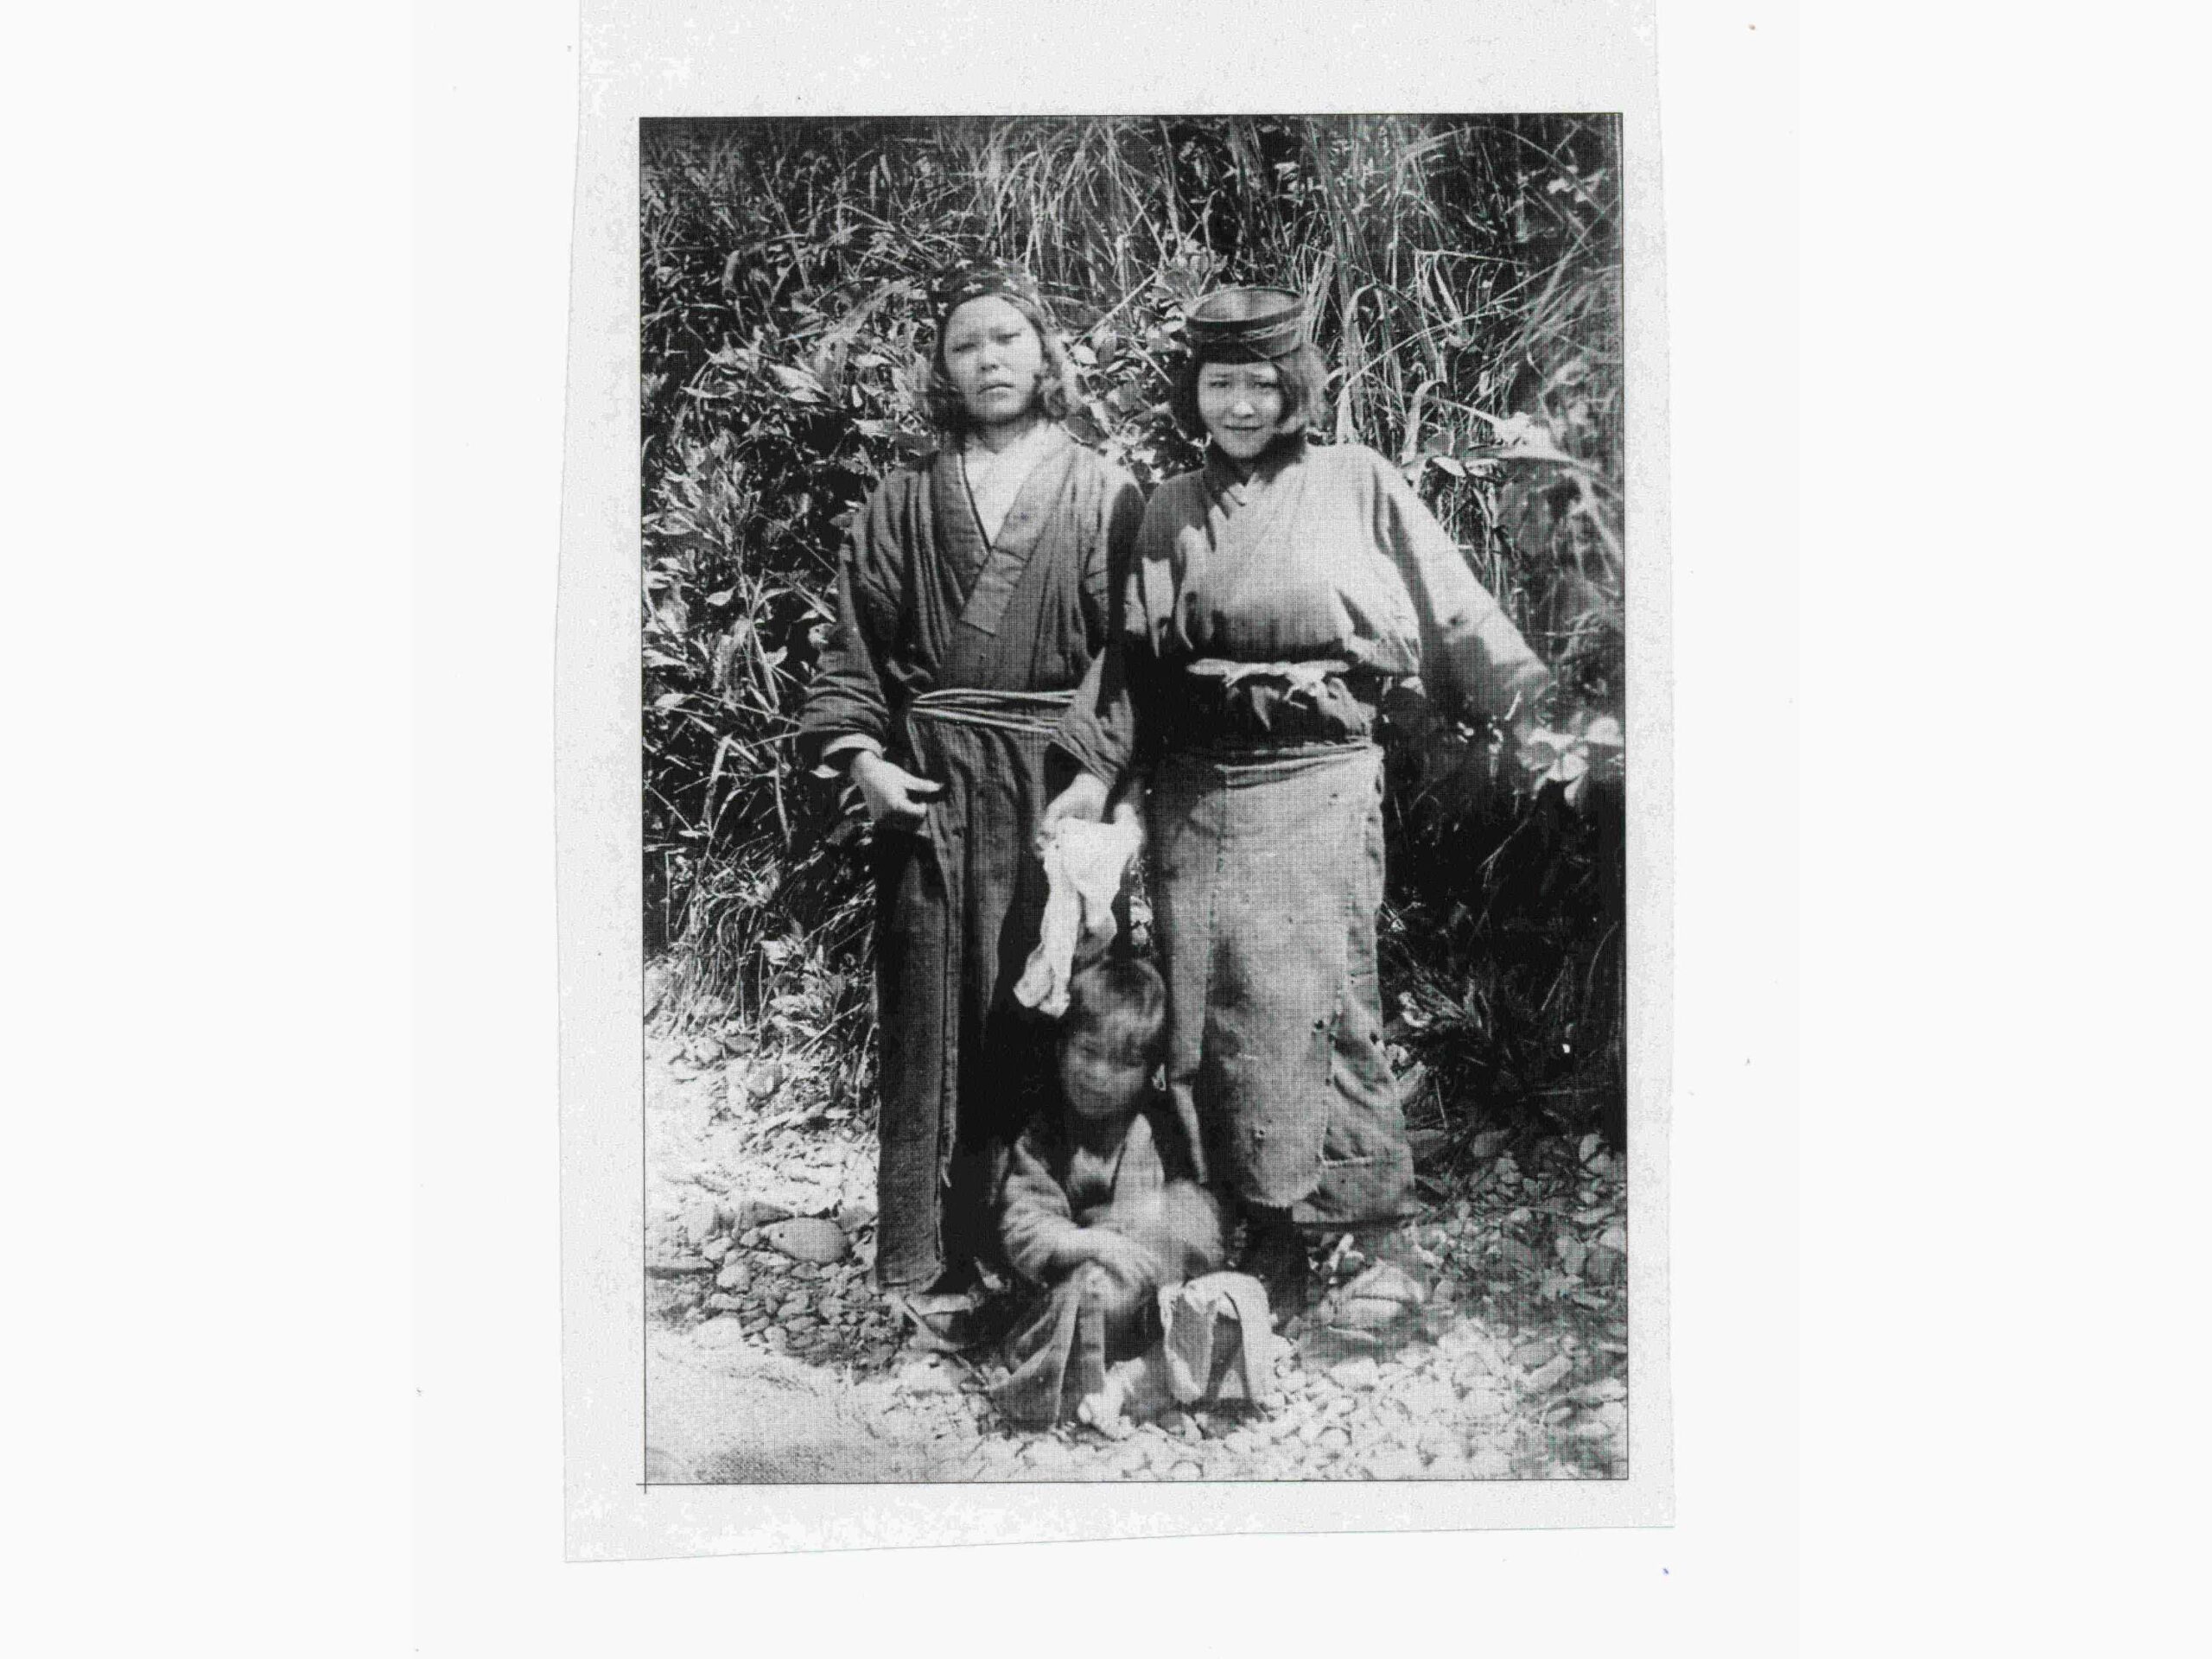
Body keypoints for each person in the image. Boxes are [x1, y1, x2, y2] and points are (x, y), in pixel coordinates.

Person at [1039, 286, 1553, 1326]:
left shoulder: (1356, 479)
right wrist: (1092, 777)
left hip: (1317, 778)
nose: (1239, 406)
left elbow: (1452, 603)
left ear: (1296, 389)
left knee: (1324, 1002)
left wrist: (1531, 711)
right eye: (1218, 384)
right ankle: (1258, 1232)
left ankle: (1371, 1238)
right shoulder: (1170, 506)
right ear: (1192, 392)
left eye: (1260, 385)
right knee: (1206, 1013)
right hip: (1197, 794)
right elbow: (1135, 665)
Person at [797, 261, 1146, 1320]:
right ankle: (929, 1256)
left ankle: (1048, 1264)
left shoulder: (1101, 490)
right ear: (942, 369)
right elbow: (855, 648)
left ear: (1044, 354)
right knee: (929, 1016)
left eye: (1007, 339)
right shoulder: (903, 499)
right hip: (934, 789)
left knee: (1054, 1009)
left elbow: (1130, 652)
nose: (988, 360)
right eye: (965, 345)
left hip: (1054, 793)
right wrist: (864, 762)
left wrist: (1096, 778)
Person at [991, 958, 1229, 1426]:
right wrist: (1094, 1243)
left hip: (1156, 1293)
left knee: (1231, 1304)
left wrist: (1164, 1227)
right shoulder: (1047, 1133)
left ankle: (1138, 1378)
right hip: (1088, 1292)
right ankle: (1104, 1385)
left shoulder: (1161, 1125)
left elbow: (1203, 1218)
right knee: (1094, 1294)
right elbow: (1024, 1225)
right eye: (1087, 1051)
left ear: (1150, 1071)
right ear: (1061, 1048)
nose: (1099, 1075)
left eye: (1124, 1063)